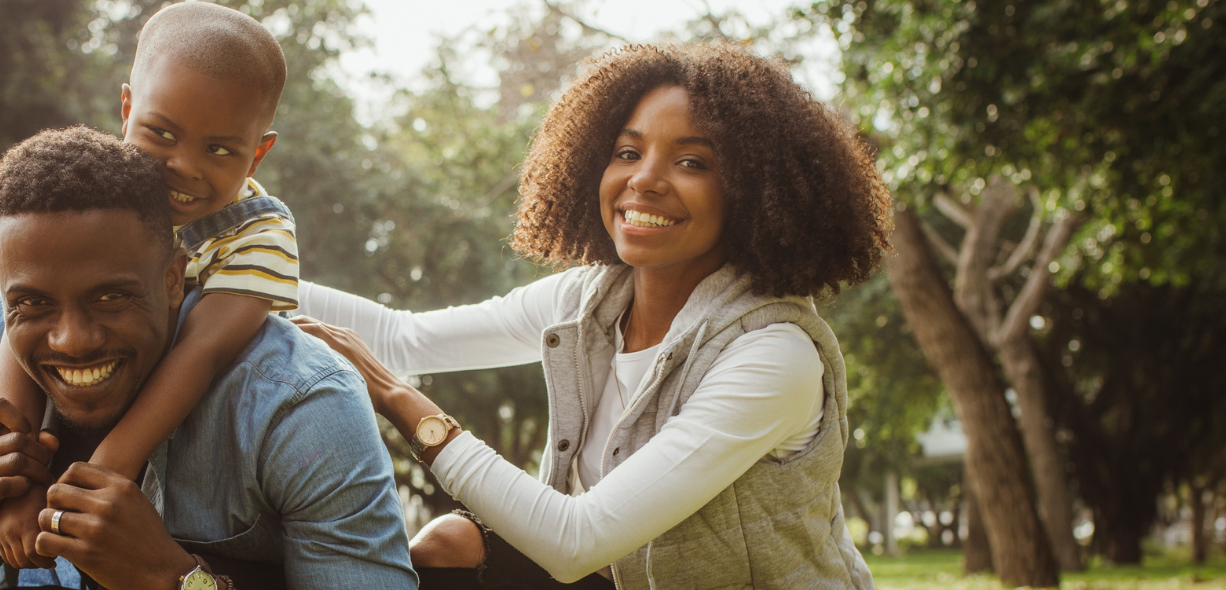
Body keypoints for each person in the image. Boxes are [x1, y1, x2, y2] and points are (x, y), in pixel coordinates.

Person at [291, 43, 890, 589]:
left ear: (756, 192)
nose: (644, 180)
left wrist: (399, 399)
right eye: (627, 152)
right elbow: (403, 337)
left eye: (693, 163)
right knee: (449, 544)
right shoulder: (587, 302)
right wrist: (235, 268)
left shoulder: (772, 353)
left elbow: (576, 541)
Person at [0, 127, 414, 590]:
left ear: (174, 278)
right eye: (32, 303)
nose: (72, 340)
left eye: (110, 297)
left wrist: (170, 577)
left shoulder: (301, 407)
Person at [0, 1, 309, 571]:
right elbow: (25, 321)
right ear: (127, 108)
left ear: (259, 149)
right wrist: (14, 480)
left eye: (219, 149)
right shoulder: (93, 193)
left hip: (190, 462)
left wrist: (102, 475)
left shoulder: (261, 235)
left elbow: (201, 352)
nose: (182, 166)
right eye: (161, 133)